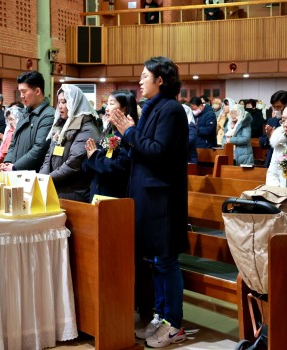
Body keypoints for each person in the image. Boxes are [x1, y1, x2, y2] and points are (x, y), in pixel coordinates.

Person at [108, 56, 189, 348]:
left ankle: (175, 324)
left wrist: (129, 132)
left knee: (166, 261)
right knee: (155, 262)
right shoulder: (153, 109)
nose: (140, 82)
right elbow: (141, 151)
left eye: (145, 76)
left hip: (163, 199)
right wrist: (128, 134)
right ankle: (160, 316)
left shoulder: (171, 110)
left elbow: (158, 152)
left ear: (161, 81)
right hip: (147, 196)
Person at [39, 84, 100, 202]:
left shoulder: (87, 128)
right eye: (59, 102)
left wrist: (48, 179)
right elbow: (48, 156)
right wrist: (42, 177)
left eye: (65, 102)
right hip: (56, 189)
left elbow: (74, 163)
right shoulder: (61, 126)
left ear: (75, 103)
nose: (60, 106)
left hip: (74, 193)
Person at [83, 90, 138, 202]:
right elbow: (101, 158)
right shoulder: (112, 135)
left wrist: (94, 157)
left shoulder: (131, 136)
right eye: (107, 104)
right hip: (99, 195)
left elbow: (118, 167)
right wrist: (92, 156)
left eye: (111, 104)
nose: (106, 108)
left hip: (115, 198)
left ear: (124, 109)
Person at [0, 71, 55, 172]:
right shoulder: (24, 113)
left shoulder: (48, 115)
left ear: (37, 91)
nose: (21, 96)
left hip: (32, 174)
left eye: (24, 92)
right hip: (17, 171)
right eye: (20, 92)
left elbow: (39, 148)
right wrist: (7, 161)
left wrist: (15, 167)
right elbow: (13, 142)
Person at [259, 90, 287, 167]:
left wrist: (277, 137)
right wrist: (269, 137)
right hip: (271, 160)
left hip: (286, 160)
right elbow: (262, 143)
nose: (276, 110)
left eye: (279, 107)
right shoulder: (271, 120)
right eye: (274, 107)